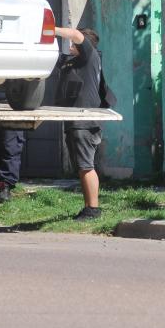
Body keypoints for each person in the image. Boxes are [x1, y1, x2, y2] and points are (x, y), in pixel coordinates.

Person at [54, 26, 104, 221]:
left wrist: (49, 28)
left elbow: (76, 35)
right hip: (74, 122)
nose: (71, 44)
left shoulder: (89, 57)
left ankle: (93, 209)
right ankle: (88, 207)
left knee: (86, 166)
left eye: (75, 42)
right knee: (82, 167)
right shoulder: (72, 62)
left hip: (85, 122)